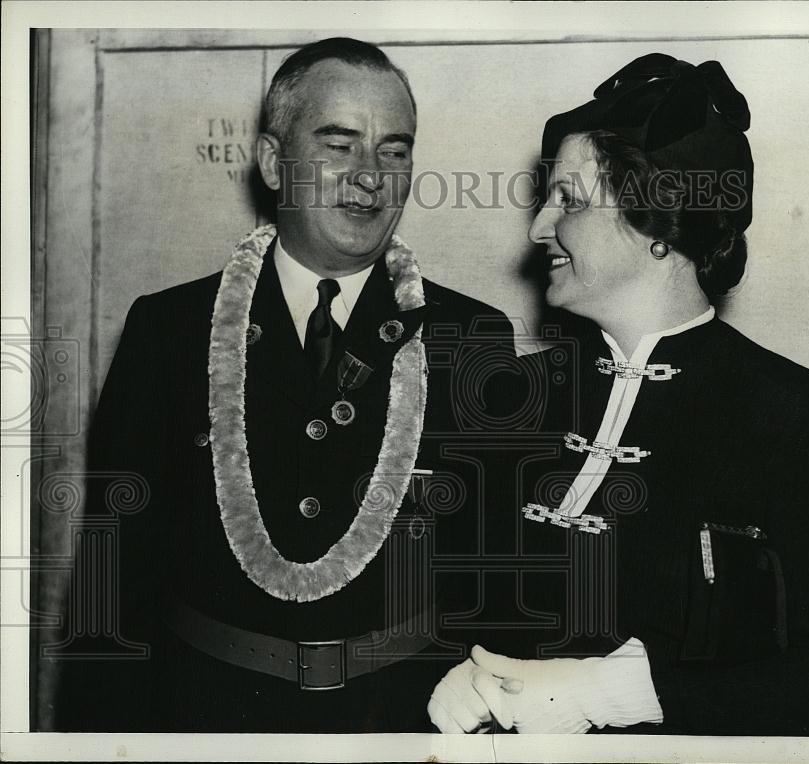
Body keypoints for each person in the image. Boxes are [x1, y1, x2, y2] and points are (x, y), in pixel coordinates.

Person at [54, 37, 514, 732]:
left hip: (404, 726)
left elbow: (498, 594)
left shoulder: (472, 337)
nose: (370, 177)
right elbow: (110, 588)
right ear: (274, 162)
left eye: (394, 150)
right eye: (339, 144)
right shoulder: (169, 331)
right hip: (208, 720)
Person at [428, 53, 809, 736]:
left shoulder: (801, 418)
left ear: (658, 219)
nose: (537, 229)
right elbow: (434, 605)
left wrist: (605, 692)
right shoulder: (506, 396)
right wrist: (447, 675)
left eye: (570, 201)